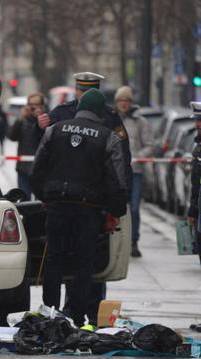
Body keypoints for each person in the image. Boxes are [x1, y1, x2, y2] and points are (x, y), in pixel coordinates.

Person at [38, 72, 131, 325]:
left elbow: (39, 166)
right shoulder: (107, 133)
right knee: (84, 263)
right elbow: (118, 172)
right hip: (89, 208)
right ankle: (78, 317)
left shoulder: (56, 127)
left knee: (54, 259)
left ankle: (50, 313)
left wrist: (43, 196)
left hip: (58, 205)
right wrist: (117, 207)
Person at [114, 85, 153, 258]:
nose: (123, 104)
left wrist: (137, 156)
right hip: (117, 171)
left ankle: (134, 241)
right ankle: (117, 241)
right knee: (117, 207)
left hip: (135, 171)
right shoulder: (112, 120)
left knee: (135, 208)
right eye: (120, 100)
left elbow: (150, 145)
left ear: (131, 102)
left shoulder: (140, 122)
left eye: (126, 100)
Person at [6, 92, 46, 199]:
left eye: (36, 104)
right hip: (23, 168)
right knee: (24, 201)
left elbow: (46, 139)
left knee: (40, 203)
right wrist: (19, 119)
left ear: (42, 106)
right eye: (30, 104)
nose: (33, 107)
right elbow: (11, 137)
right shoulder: (23, 120)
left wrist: (40, 119)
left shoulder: (46, 120)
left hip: (40, 169)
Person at [186, 101, 201, 264]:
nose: (197, 124)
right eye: (196, 120)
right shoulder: (198, 145)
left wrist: (193, 209)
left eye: (200, 120)